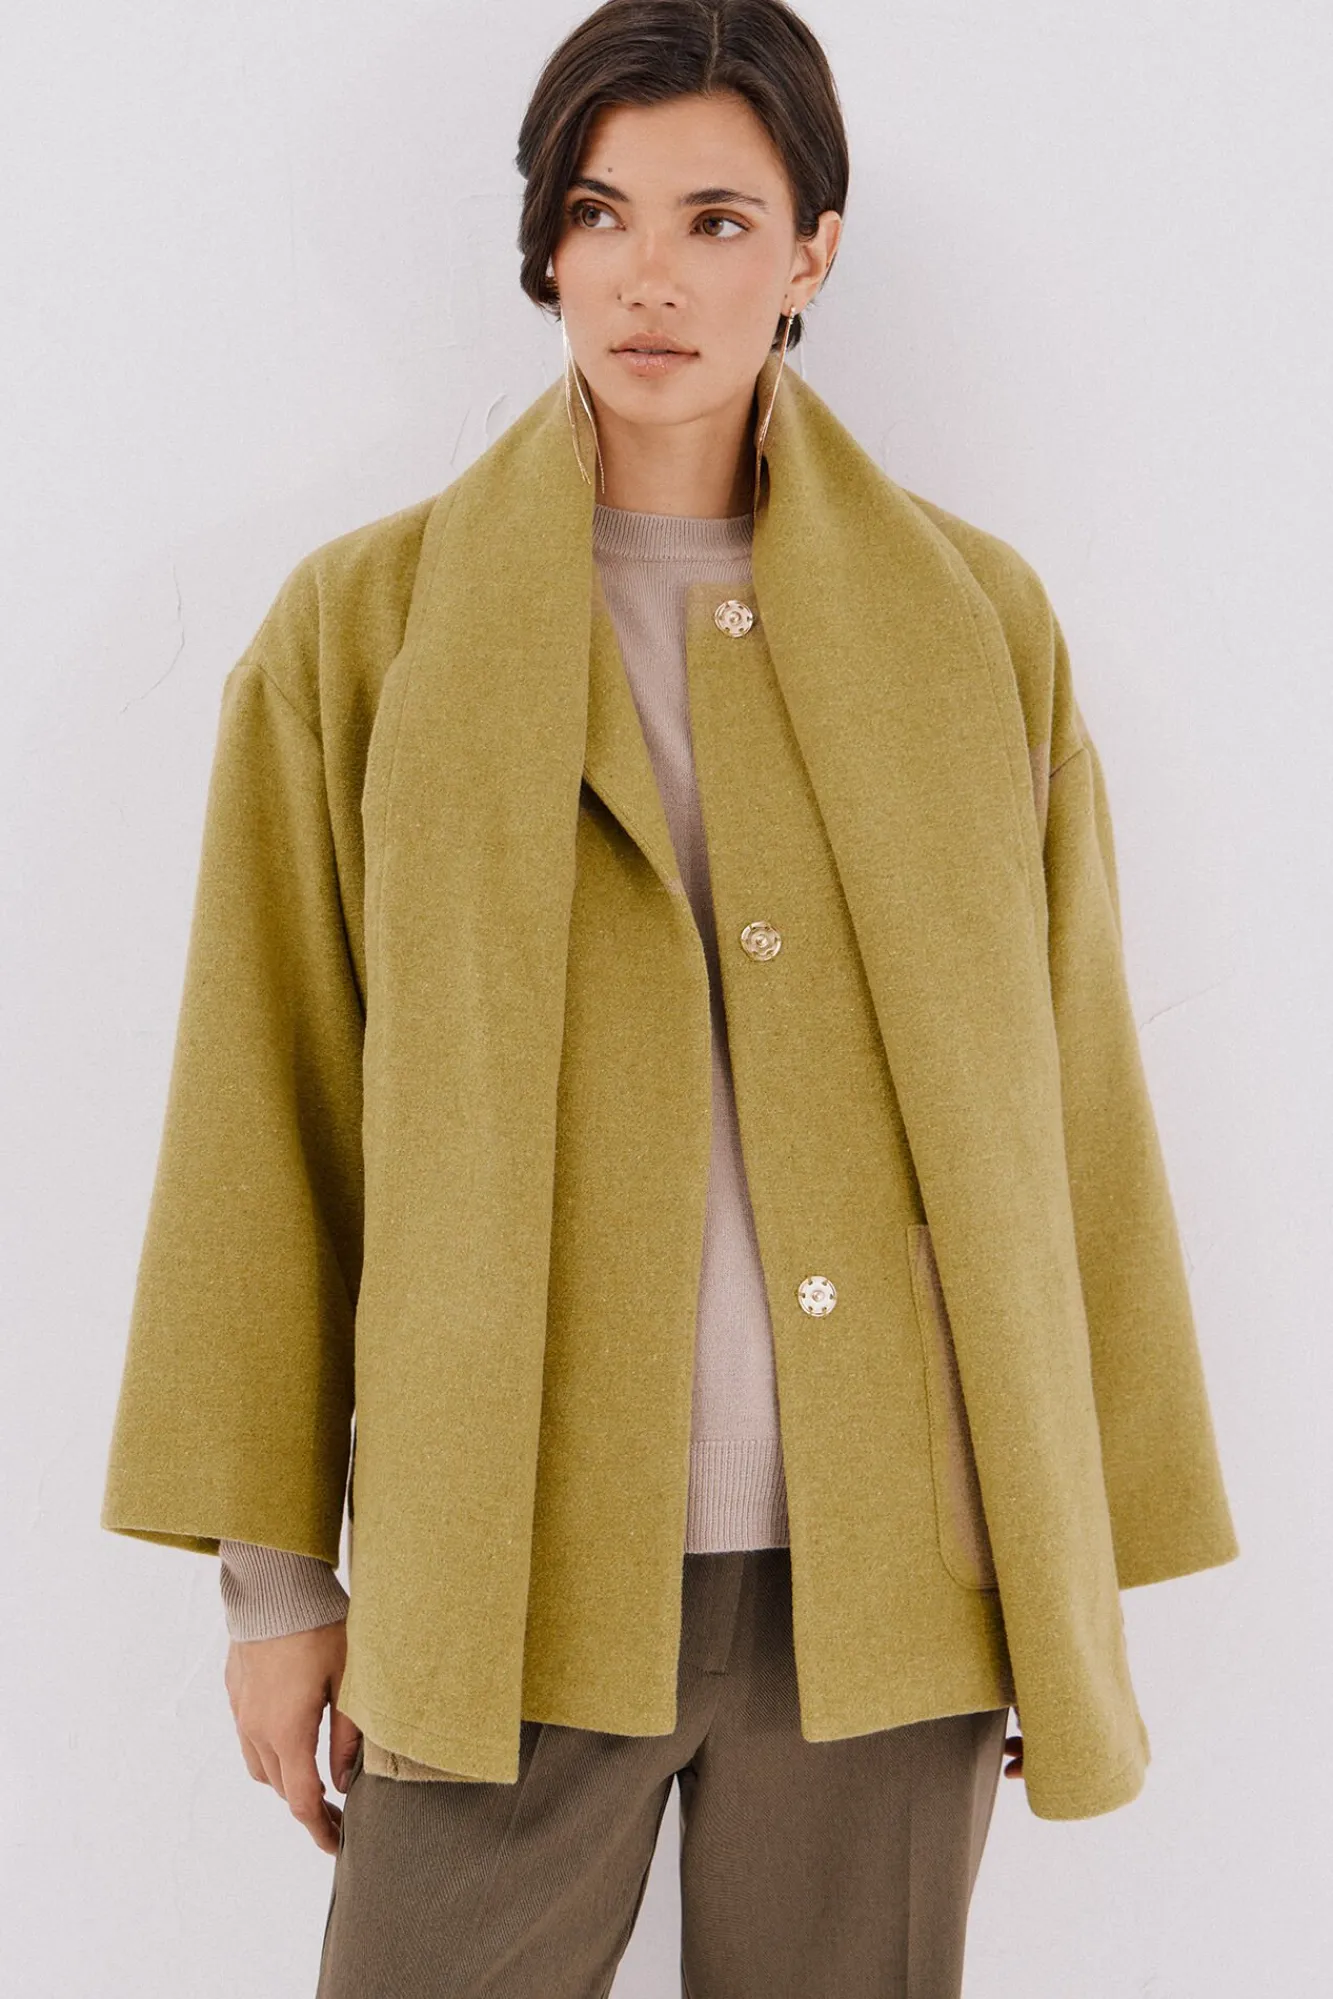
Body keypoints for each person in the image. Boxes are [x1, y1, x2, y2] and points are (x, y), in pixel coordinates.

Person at [100, 3, 1240, 1993]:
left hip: (895, 1571)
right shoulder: (363, 634)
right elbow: (265, 1109)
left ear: (811, 253)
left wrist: (1063, 1574)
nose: (649, 273)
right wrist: (276, 1587)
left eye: (718, 219)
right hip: (501, 1560)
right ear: (543, 243)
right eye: (599, 211)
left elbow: (1072, 1114)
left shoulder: (980, 627)